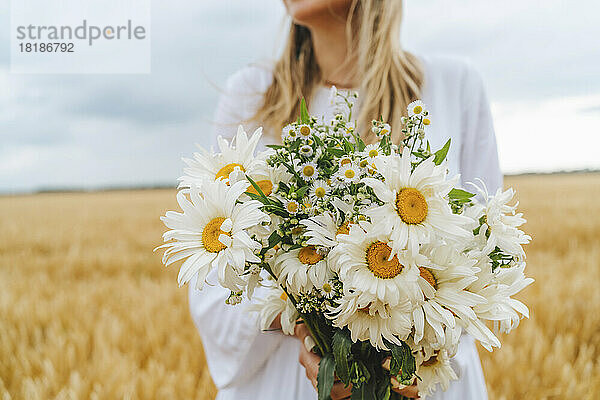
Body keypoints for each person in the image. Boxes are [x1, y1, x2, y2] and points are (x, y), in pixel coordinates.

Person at [189, 1, 502, 399]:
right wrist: (314, 315)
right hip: (283, 384)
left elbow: (483, 265)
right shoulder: (253, 93)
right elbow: (212, 287)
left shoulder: (453, 85)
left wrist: (412, 350)